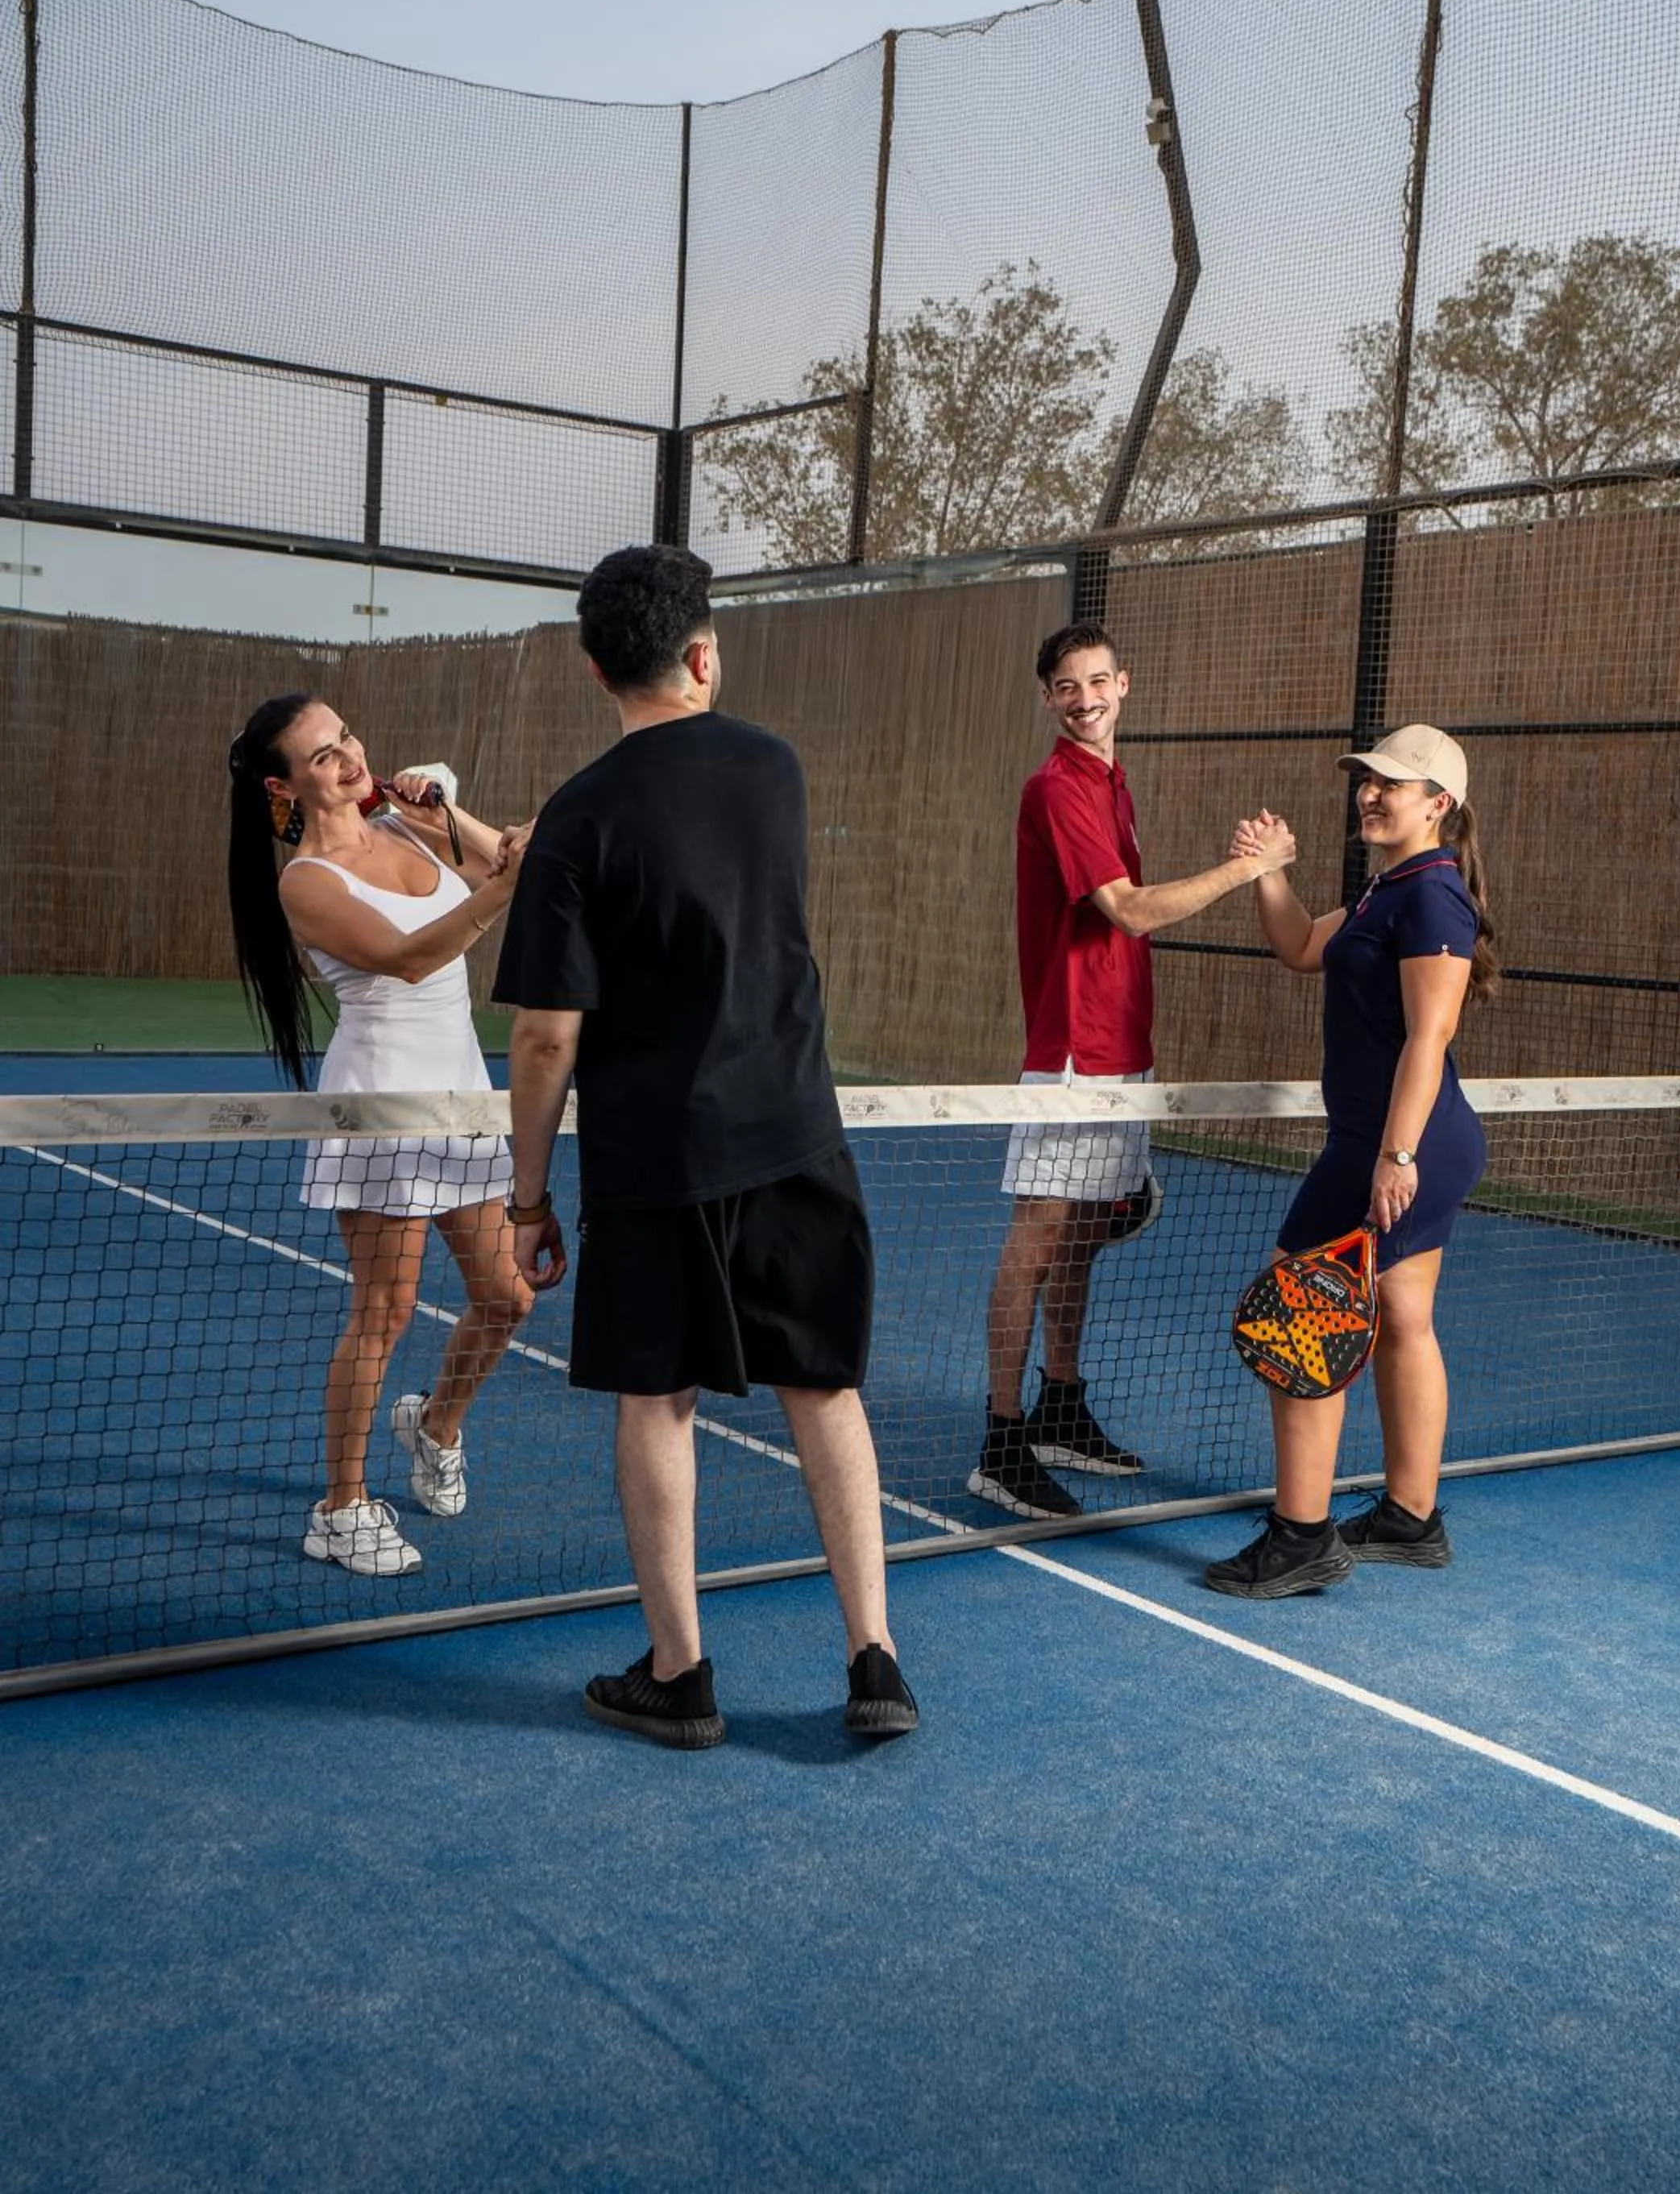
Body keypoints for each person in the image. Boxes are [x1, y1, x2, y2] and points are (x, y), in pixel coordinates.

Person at [493, 543, 917, 1751]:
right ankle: (875, 1659)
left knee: (657, 1401)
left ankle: (680, 1676)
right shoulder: (774, 768)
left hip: (654, 1158)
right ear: (701, 654)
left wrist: (527, 1199)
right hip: (794, 1133)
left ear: (593, 670)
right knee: (823, 1391)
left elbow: (544, 1037)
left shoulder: (576, 818)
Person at [971, 621, 1296, 1520]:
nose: (1084, 700)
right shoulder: (1057, 788)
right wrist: (1246, 869)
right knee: (1037, 1240)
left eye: (1097, 682)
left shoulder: (1112, 784)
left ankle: (1059, 1406)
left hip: (1124, 1050)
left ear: (1124, 685)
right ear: (1048, 697)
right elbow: (1131, 913)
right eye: (1066, 687)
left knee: (1080, 1238)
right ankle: (1001, 1439)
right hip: (1074, 1054)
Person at [227, 695, 534, 1578]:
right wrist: (502, 886)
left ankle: (435, 1424)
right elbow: (411, 957)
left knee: (508, 1298)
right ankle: (341, 1508)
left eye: (347, 738)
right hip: (379, 1109)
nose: (350, 757)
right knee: (385, 1311)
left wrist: (444, 813)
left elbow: (520, 862)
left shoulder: (407, 825)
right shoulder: (306, 883)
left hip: (461, 1099)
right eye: (323, 756)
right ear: (284, 788)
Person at [1205, 724, 1498, 1599]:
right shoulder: (1388, 889)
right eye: (1367, 780)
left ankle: (1301, 1538)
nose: (1370, 793)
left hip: (1399, 1144)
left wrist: (1395, 1154)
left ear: (1438, 805)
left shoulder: (1433, 899)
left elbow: (1429, 1037)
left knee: (1300, 1312)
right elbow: (1302, 946)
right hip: (1392, 1141)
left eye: (1391, 784)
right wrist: (1267, 871)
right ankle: (1410, 1518)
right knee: (1402, 1318)